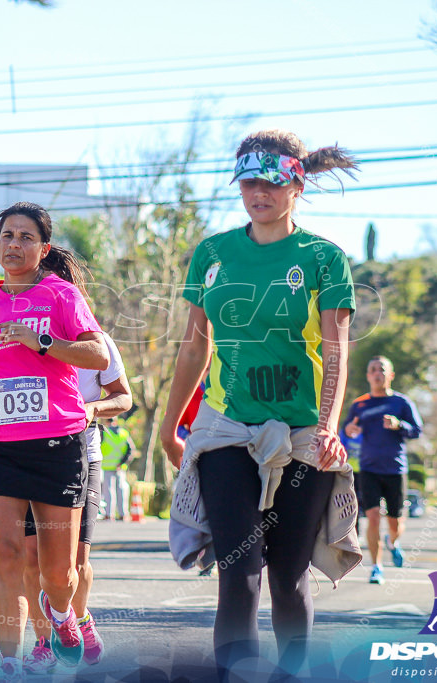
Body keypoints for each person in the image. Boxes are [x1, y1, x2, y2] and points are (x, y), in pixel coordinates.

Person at [160, 129, 362, 680]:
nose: (258, 192)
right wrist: (170, 423)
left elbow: (338, 349)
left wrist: (326, 425)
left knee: (289, 579)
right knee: (239, 571)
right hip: (227, 429)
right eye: (248, 181)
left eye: (271, 181)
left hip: (301, 436)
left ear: (296, 182)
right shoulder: (214, 252)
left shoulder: (323, 257)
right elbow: (195, 344)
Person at [0, 201, 108, 682]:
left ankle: (62, 614)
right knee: (6, 552)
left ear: (43, 247)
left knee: (58, 576)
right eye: (7, 236)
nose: (14, 244)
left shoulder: (61, 295)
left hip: (57, 444)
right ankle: (9, 661)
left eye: (25, 237)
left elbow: (96, 353)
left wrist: (44, 342)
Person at [22, 332, 133, 674]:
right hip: (26, 454)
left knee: (77, 562)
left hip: (82, 455)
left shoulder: (96, 340)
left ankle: (79, 618)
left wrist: (93, 408)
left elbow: (123, 397)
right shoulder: (21, 332)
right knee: (32, 558)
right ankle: (44, 643)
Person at [342, 356, 423, 586]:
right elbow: (346, 430)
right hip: (368, 468)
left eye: (382, 369)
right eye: (373, 369)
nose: (377, 373)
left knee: (395, 520)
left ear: (391, 375)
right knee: (373, 517)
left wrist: (399, 425)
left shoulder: (402, 403)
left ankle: (393, 542)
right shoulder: (360, 404)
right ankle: (377, 567)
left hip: (395, 468)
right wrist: (350, 429)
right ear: (368, 376)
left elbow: (417, 430)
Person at [100, 416, 135, 521]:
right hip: (120, 467)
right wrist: (123, 462)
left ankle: (109, 514)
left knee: (108, 491)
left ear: (107, 421)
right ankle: (123, 514)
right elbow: (131, 450)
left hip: (107, 466)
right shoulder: (124, 433)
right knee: (121, 490)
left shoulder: (104, 433)